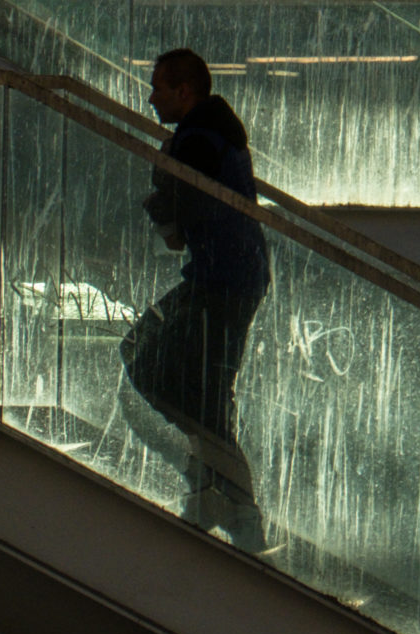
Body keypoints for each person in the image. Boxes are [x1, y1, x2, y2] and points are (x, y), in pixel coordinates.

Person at [120, 48, 273, 554]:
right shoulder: (211, 134)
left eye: (159, 87)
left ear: (184, 90)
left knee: (150, 360)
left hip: (220, 282)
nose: (150, 96)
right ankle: (213, 487)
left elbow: (177, 228)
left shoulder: (198, 140)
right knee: (198, 386)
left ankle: (228, 499)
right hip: (228, 277)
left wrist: (162, 195)